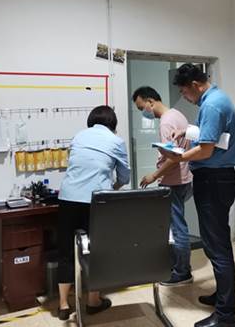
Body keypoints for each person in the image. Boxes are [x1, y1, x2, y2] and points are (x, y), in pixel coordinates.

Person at [160, 64, 235, 327]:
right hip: (218, 178)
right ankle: (222, 297)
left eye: (184, 92)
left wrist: (179, 157)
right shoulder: (216, 99)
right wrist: (187, 132)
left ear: (195, 85)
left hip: (214, 180)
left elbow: (206, 150)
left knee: (217, 247)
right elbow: (218, 137)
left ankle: (226, 315)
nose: (184, 97)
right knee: (217, 243)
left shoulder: (212, 105)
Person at [56, 105, 130, 320]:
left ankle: (63, 305)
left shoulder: (79, 136)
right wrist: (113, 187)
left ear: (91, 121)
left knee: (66, 251)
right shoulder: (116, 141)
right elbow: (124, 176)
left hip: (67, 198)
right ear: (113, 123)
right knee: (97, 251)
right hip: (96, 201)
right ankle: (93, 301)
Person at [132, 86, 193, 286]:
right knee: (177, 224)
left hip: (173, 181)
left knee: (177, 228)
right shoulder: (177, 115)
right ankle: (178, 266)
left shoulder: (166, 122)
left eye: (141, 107)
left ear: (151, 102)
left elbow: (173, 157)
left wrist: (154, 175)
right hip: (184, 178)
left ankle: (182, 272)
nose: (143, 112)